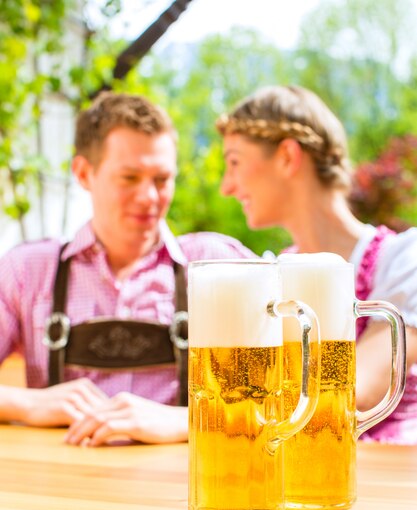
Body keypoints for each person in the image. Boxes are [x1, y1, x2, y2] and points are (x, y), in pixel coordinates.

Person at [0, 92, 256, 445]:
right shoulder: (28, 271)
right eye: (130, 177)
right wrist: (29, 403)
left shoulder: (216, 265)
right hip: (59, 489)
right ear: (84, 173)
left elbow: (281, 396)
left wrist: (186, 420)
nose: (149, 197)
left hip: (180, 491)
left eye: (162, 179)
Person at [216, 84, 417, 444]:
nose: (226, 187)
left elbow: (355, 390)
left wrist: (192, 419)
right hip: (299, 486)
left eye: (234, 162)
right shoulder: (271, 273)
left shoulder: (404, 260)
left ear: (287, 157)